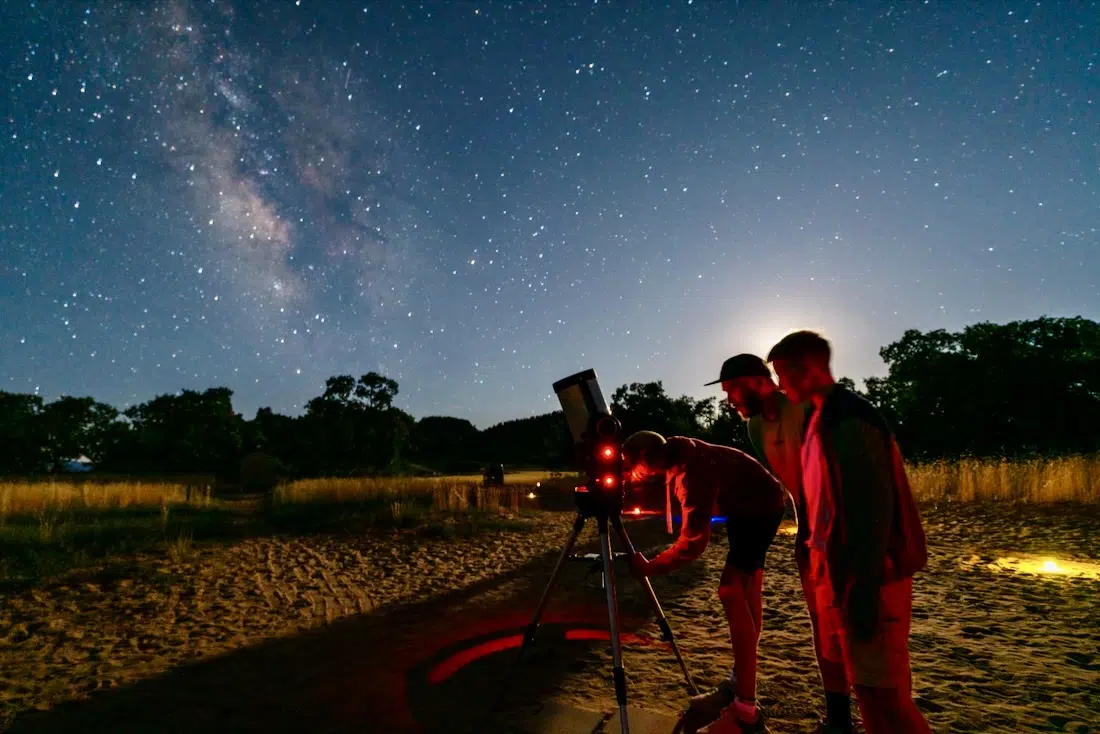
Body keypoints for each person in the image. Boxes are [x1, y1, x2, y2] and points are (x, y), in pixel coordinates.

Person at [766, 330, 931, 734]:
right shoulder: (823, 418)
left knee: (887, 697)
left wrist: (861, 584)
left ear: (809, 368)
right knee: (868, 690)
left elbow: (870, 507)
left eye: (784, 374)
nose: (780, 385)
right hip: (841, 573)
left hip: (869, 576)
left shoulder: (850, 419)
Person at [705, 354, 857, 733]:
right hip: (809, 537)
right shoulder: (755, 427)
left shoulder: (807, 409)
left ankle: (852, 717)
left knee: (848, 631)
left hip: (843, 534)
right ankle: (838, 720)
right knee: (821, 628)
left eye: (733, 392)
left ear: (758, 382)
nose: (729, 402)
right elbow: (790, 485)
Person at [623, 431, 787, 734]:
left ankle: (745, 712)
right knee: (748, 591)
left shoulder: (691, 472)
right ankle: (739, 686)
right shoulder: (683, 453)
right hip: (756, 503)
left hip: (758, 510)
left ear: (646, 459)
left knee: (730, 590)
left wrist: (650, 567)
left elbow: (693, 545)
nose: (631, 473)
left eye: (631, 466)